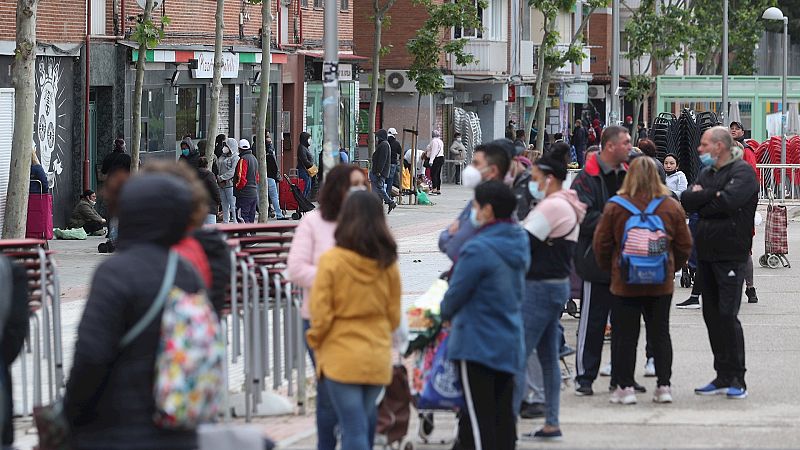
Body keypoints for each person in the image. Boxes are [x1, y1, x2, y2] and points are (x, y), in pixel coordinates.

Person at [63, 173, 204, 449]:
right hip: (178, 426)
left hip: (116, 428)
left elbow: (91, 356)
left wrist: (71, 413)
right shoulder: (187, 272)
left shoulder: (115, 274)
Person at [593, 156, 692, 405]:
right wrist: (670, 267)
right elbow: (684, 245)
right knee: (660, 333)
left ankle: (625, 388)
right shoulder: (670, 206)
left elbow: (601, 244)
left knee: (625, 335)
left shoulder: (616, 206)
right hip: (660, 282)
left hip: (625, 281)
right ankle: (663, 386)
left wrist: (613, 269)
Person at [306, 190, 400, 450]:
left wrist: (315, 341)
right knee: (359, 424)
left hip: (341, 355)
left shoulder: (332, 261)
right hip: (377, 356)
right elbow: (393, 316)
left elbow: (321, 314)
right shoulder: (388, 262)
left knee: (353, 428)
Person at [440, 181, 529, 450]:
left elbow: (455, 294)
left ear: (488, 210)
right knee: (502, 417)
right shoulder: (519, 240)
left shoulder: (477, 248)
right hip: (509, 338)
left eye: (475, 207)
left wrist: (443, 314)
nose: (472, 213)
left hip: (476, 343)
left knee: (479, 423)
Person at [287, 165, 367, 450]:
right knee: (329, 393)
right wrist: (331, 277)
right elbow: (295, 269)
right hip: (320, 320)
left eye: (362, 184)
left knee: (355, 394)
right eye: (352, 185)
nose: (358, 190)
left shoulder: (368, 222)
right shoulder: (314, 222)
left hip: (361, 321)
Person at [681, 126, 758, 400]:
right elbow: (687, 199)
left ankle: (738, 378)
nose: (699, 150)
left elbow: (729, 202)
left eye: (704, 145)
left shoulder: (743, 172)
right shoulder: (707, 172)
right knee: (711, 316)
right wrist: (708, 196)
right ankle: (722, 375)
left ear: (720, 146)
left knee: (727, 315)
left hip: (731, 254)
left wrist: (706, 197)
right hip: (706, 254)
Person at [520, 144, 586, 440]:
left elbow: (522, 242)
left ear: (548, 178)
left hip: (540, 287)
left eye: (534, 176)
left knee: (516, 354)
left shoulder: (553, 205)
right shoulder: (566, 202)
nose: (531, 183)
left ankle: (503, 428)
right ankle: (551, 423)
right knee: (547, 357)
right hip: (553, 286)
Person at [571, 125, 631, 396]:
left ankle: (621, 376)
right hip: (595, 260)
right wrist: (617, 217)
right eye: (626, 143)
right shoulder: (585, 179)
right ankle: (585, 377)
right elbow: (582, 217)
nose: (630, 147)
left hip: (627, 262)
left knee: (624, 323)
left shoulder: (629, 174)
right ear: (610, 146)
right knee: (592, 321)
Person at [439, 140, 512, 262]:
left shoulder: (494, 204)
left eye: (476, 164)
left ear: (493, 171)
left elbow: (453, 248)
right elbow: (443, 240)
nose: (470, 169)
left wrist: (453, 233)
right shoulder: (476, 200)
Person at [730, 123, 760, 304]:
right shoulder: (720, 172)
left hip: (741, 219)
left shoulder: (747, 155)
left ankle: (750, 288)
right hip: (730, 220)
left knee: (744, 253)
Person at [371, 129, 397, 214]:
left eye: (378, 137)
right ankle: (378, 206)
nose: (376, 139)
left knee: (379, 188)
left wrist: (379, 171)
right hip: (379, 172)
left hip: (379, 172)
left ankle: (390, 202)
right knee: (378, 189)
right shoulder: (384, 144)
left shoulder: (384, 145)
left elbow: (382, 159)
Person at [234, 138, 259, 223]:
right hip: (253, 192)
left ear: (239, 149)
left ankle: (245, 234)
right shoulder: (254, 158)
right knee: (251, 216)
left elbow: (241, 177)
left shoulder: (243, 159)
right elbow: (257, 177)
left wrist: (237, 188)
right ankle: (251, 234)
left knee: (242, 216)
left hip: (244, 193)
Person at [264, 133, 287, 220]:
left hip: (262, 177)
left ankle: (265, 213)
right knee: (274, 197)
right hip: (270, 178)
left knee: (262, 197)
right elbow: (274, 167)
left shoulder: (259, 152)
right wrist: (276, 176)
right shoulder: (270, 154)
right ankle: (279, 214)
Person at [216, 138, 239, 223]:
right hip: (221, 184)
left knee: (232, 204)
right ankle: (226, 220)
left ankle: (235, 221)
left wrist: (221, 178)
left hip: (230, 184)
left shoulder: (235, 157)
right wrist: (219, 178)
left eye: (226, 145)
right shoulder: (222, 156)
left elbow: (233, 171)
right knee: (224, 204)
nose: (224, 147)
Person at [196, 157, 220, 225]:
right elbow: (215, 190)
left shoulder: (193, 175)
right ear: (207, 165)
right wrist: (218, 201)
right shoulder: (210, 175)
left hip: (198, 206)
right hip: (210, 206)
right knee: (211, 229)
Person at [426, 130, 445, 195]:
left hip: (436, 159)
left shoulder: (434, 141)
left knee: (433, 174)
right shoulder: (440, 141)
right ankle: (438, 189)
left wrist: (431, 161)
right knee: (437, 174)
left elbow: (433, 152)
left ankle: (434, 189)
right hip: (441, 158)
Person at [297, 132, 315, 198]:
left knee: (308, 188)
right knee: (305, 188)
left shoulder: (305, 148)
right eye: (309, 138)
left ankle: (304, 203)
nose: (310, 140)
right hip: (304, 170)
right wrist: (312, 166)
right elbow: (304, 160)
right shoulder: (301, 148)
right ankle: (302, 204)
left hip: (307, 171)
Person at [387, 128, 402, 196]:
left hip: (385, 163)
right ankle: (389, 194)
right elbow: (401, 152)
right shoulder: (396, 143)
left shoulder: (384, 142)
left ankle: (384, 194)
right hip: (393, 162)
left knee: (384, 179)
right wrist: (399, 158)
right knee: (391, 179)